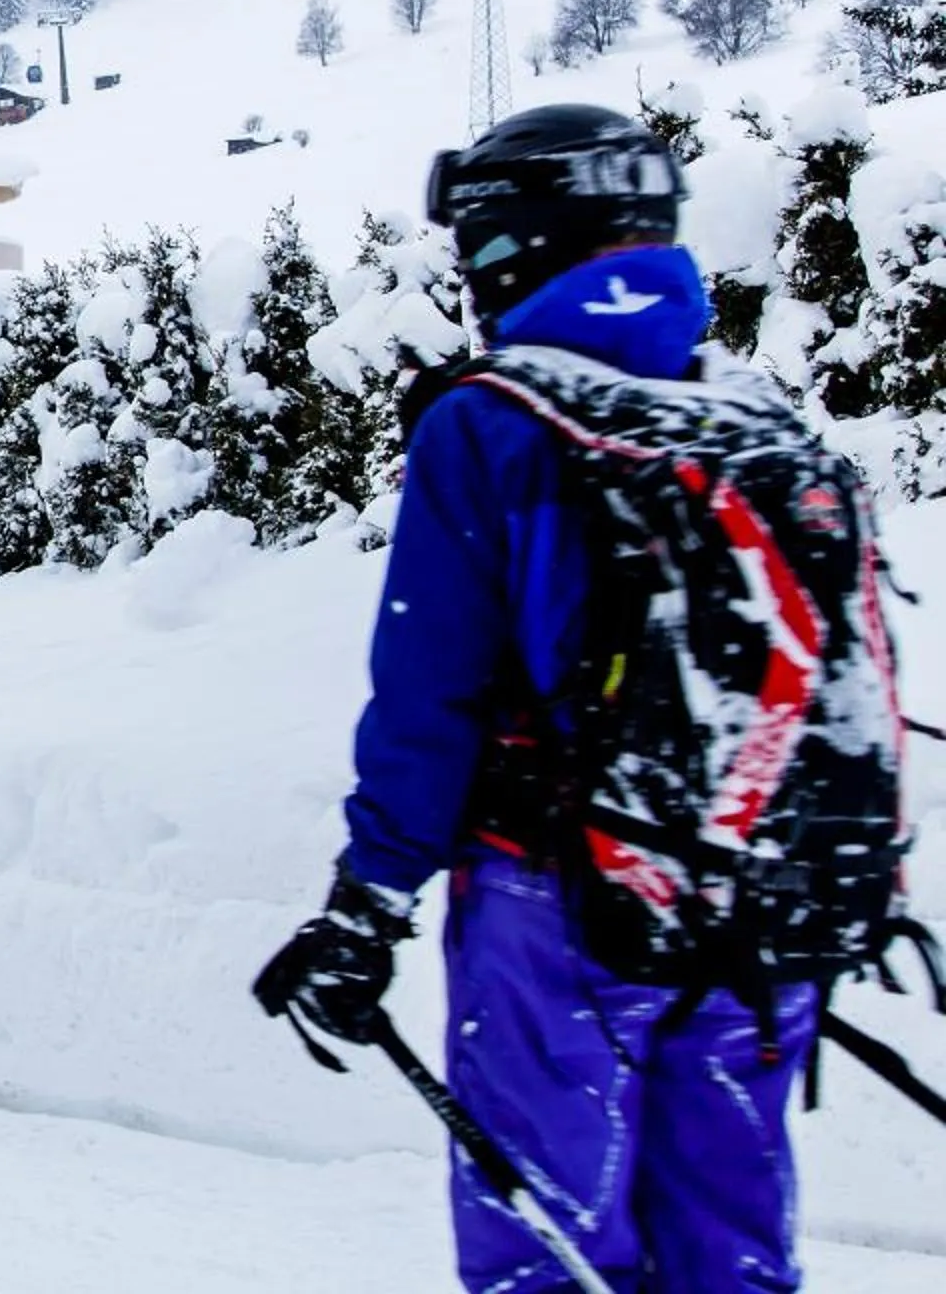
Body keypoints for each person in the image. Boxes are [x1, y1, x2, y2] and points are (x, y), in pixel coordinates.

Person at [251, 104, 916, 1293]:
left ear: (511, 245)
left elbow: (430, 694)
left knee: (548, 1244)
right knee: (734, 1242)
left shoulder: (493, 420)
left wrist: (366, 908)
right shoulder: (756, 417)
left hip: (559, 900)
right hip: (762, 903)